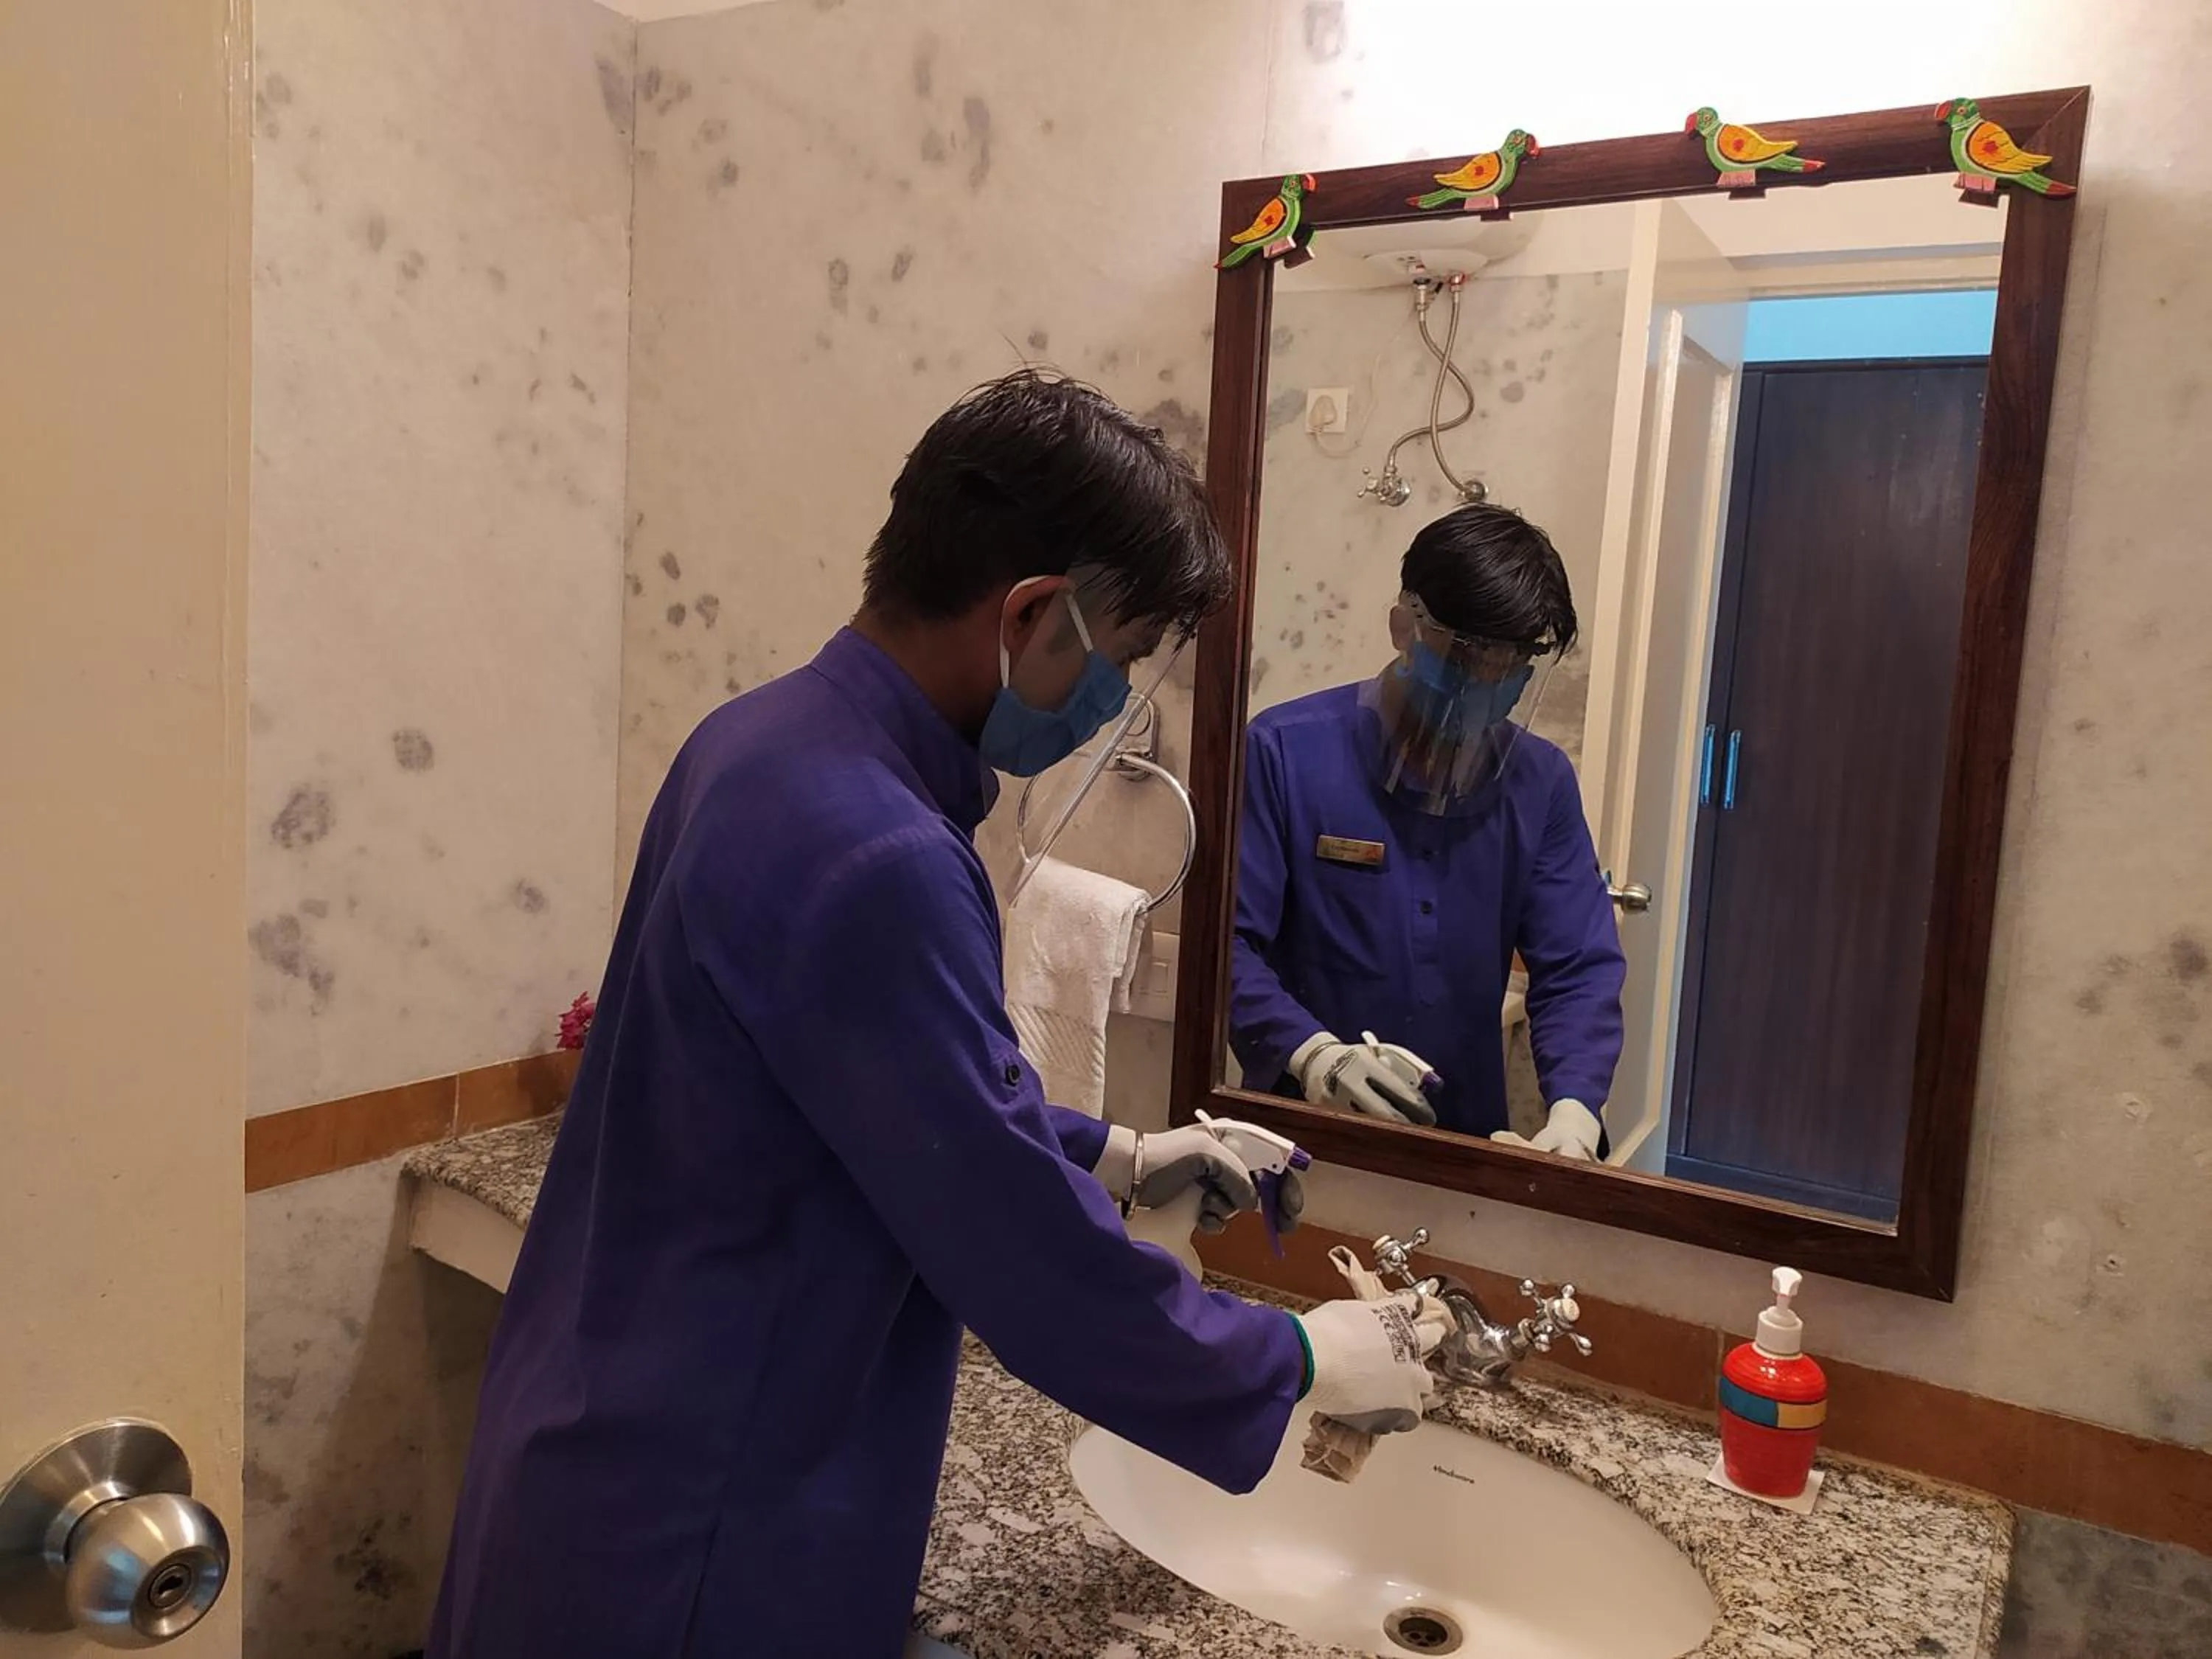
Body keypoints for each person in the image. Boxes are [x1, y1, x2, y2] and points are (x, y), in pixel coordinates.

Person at [428, 371, 1444, 1659]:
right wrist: (1295, 1358)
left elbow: (860, 1101)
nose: (1110, 705)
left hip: (601, 1444)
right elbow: (1018, 1252)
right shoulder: (879, 852)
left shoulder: (755, 744)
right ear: (1032, 617)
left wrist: (1118, 1155)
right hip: (705, 1523)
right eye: (1121, 659)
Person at [1228, 503, 1626, 1153]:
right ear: (1403, 627)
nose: (1485, 683)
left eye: (1511, 665)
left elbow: (1577, 966)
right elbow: (1228, 946)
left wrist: (1576, 1112)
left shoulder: (1540, 782)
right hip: (1302, 1125)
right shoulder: (1283, 753)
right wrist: (1312, 1055)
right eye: (1467, 658)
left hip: (1463, 1138)